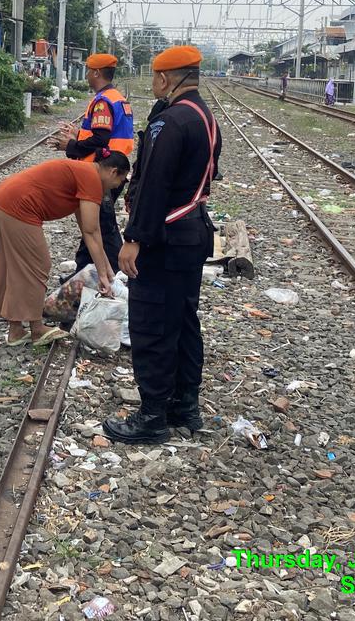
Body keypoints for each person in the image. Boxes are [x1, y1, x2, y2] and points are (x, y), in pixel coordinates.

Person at [105, 46, 221, 445]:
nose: (154, 84)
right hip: (193, 233)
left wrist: (134, 238)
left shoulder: (169, 122)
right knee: (184, 322)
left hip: (166, 237)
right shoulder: (204, 117)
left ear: (165, 78)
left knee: (152, 323)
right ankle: (184, 405)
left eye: (155, 77)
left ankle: (152, 414)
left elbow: (154, 184)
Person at [0, 152, 130, 346]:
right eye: (119, 181)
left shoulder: (85, 173)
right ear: (113, 172)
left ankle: (16, 331)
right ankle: (36, 329)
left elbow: (90, 232)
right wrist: (103, 275)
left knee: (15, 267)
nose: (116, 187)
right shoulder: (92, 180)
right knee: (37, 265)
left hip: (3, 200)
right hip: (18, 207)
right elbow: (91, 231)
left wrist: (106, 270)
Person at [51, 52, 133, 275]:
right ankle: (83, 273)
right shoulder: (116, 98)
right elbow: (103, 135)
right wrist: (78, 134)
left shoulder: (103, 102)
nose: (86, 75)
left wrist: (70, 146)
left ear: (96, 72)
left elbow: (100, 140)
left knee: (103, 228)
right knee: (94, 226)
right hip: (114, 169)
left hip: (104, 173)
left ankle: (116, 274)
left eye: (88, 71)